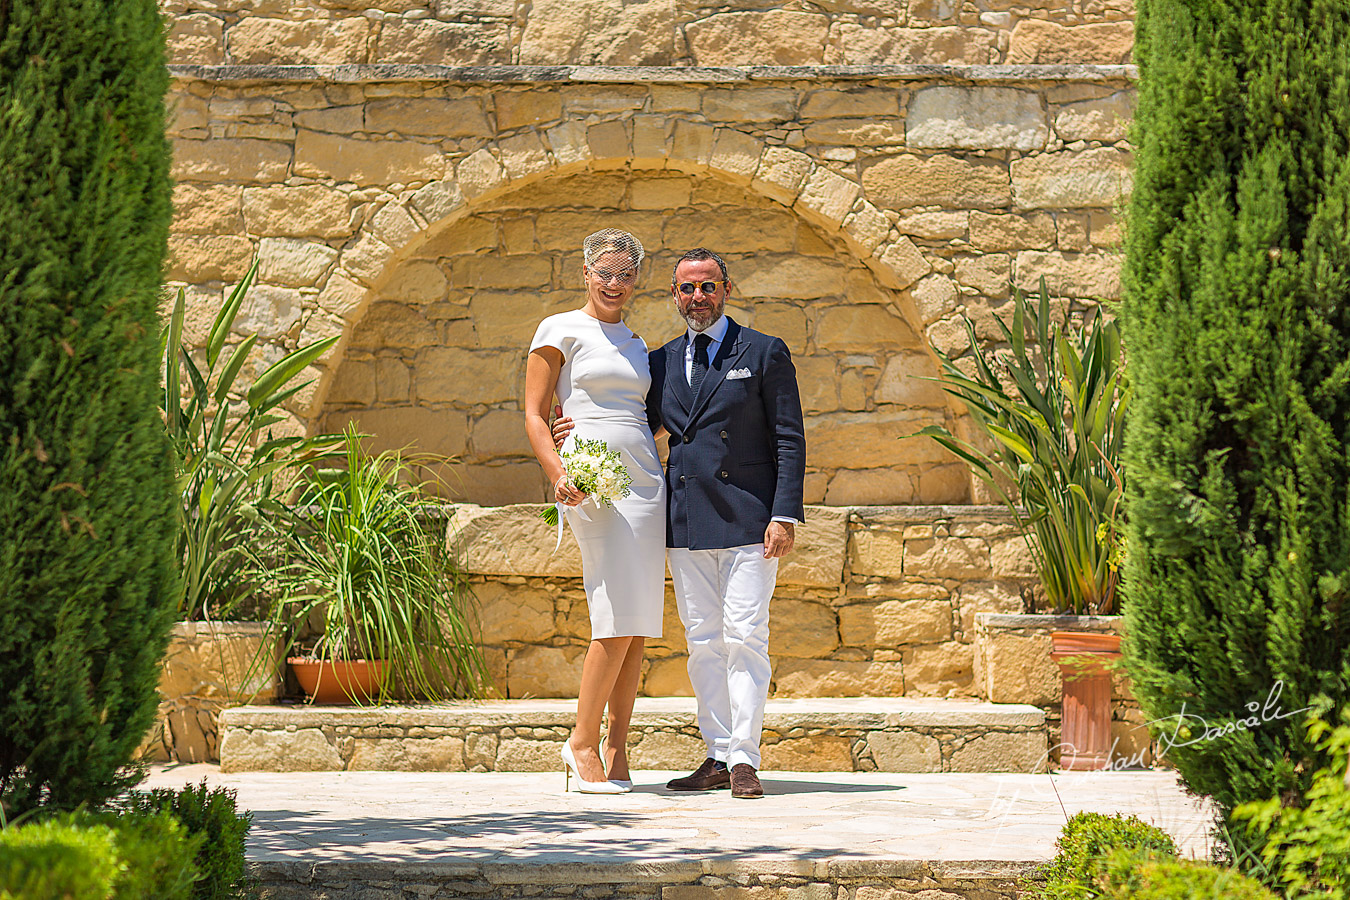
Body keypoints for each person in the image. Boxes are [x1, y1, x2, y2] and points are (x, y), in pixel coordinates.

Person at [556, 248, 806, 799]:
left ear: (726, 289)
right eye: (687, 289)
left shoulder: (763, 352)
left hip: (749, 519)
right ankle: (715, 755)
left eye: (708, 286)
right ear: (674, 296)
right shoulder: (664, 360)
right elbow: (632, 421)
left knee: (746, 637)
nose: (698, 297)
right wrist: (573, 426)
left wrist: (784, 514)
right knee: (703, 641)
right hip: (686, 520)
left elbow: (789, 437)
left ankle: (744, 758)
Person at [524, 229, 665, 794]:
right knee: (612, 613)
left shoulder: (636, 342)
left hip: (645, 481)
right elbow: (535, 414)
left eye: (625, 274)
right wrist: (559, 473)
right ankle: (580, 743)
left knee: (637, 623)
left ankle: (617, 745)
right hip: (591, 478)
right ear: (585, 273)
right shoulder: (558, 329)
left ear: (635, 281)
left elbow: (648, 417)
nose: (614, 283)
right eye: (604, 272)